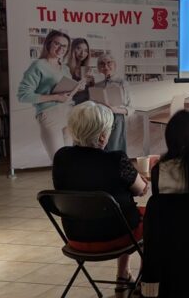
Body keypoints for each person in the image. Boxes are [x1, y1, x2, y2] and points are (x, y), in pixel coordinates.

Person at [52, 101, 148, 288]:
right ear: (103, 137)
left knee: (120, 211)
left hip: (76, 238)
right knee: (152, 217)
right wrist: (140, 179)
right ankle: (146, 282)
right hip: (115, 238)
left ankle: (123, 276)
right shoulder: (117, 159)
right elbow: (140, 190)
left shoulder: (61, 157)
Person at [17, 30, 85, 160]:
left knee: (69, 159)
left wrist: (77, 88)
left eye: (64, 46)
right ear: (48, 43)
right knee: (58, 160)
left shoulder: (64, 68)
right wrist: (55, 97)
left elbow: (67, 94)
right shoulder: (38, 65)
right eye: (57, 44)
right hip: (50, 115)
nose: (61, 48)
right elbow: (23, 95)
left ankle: (69, 181)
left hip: (68, 114)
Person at [91, 54, 132, 152]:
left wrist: (114, 109)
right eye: (102, 64)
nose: (105, 66)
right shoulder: (97, 84)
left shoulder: (123, 83)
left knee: (114, 149)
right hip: (100, 120)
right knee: (99, 149)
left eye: (109, 63)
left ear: (115, 65)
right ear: (98, 68)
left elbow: (131, 108)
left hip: (116, 120)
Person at [67, 38, 94, 105]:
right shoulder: (66, 68)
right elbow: (64, 92)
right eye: (79, 48)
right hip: (71, 104)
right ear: (72, 49)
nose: (82, 53)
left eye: (85, 50)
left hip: (87, 105)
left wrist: (93, 82)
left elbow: (90, 91)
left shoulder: (87, 69)